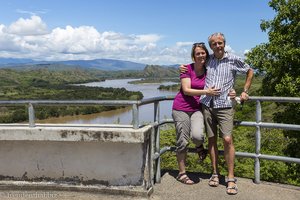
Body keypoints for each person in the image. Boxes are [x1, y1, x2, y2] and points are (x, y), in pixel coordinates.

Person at [180, 32, 254, 195]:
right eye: (214, 44)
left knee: (227, 139)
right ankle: (214, 173)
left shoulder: (233, 59)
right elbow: (195, 63)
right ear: (211, 47)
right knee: (212, 140)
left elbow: (250, 71)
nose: (217, 46)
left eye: (220, 43)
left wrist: (244, 91)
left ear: (224, 43)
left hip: (226, 105)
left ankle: (231, 178)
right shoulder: (209, 60)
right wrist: (182, 68)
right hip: (207, 104)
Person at [172, 42, 222, 185]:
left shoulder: (209, 70)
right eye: (197, 53)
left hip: (197, 108)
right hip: (181, 108)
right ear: (193, 56)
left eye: (203, 53)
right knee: (182, 141)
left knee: (198, 136)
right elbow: (186, 90)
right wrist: (206, 92)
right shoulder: (187, 69)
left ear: (206, 54)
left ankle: (199, 147)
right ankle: (182, 173)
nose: (201, 55)